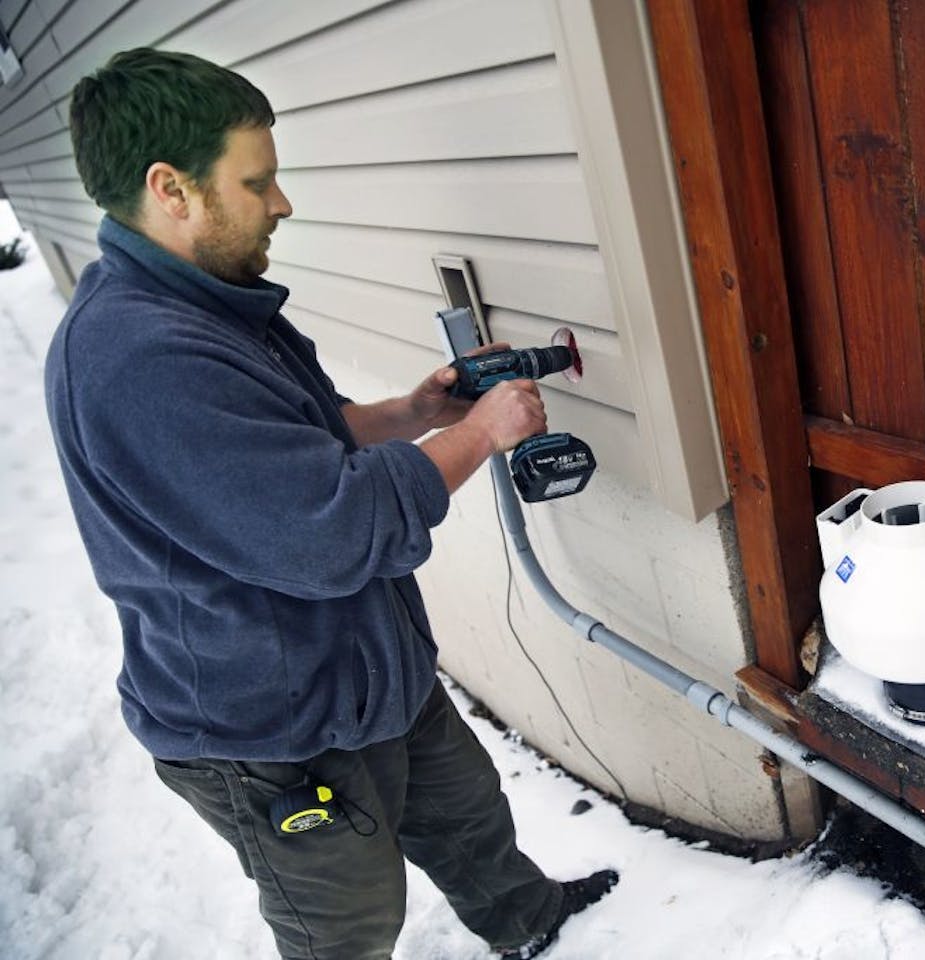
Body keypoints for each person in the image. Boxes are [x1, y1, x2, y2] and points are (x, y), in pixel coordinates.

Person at [44, 48, 616, 959]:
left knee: (468, 819)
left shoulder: (209, 304)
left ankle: (530, 922)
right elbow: (333, 530)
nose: (283, 202)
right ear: (172, 189)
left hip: (360, 668)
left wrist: (415, 413)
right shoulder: (139, 359)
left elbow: (300, 436)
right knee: (344, 925)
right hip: (272, 729)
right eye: (258, 180)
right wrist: (480, 434)